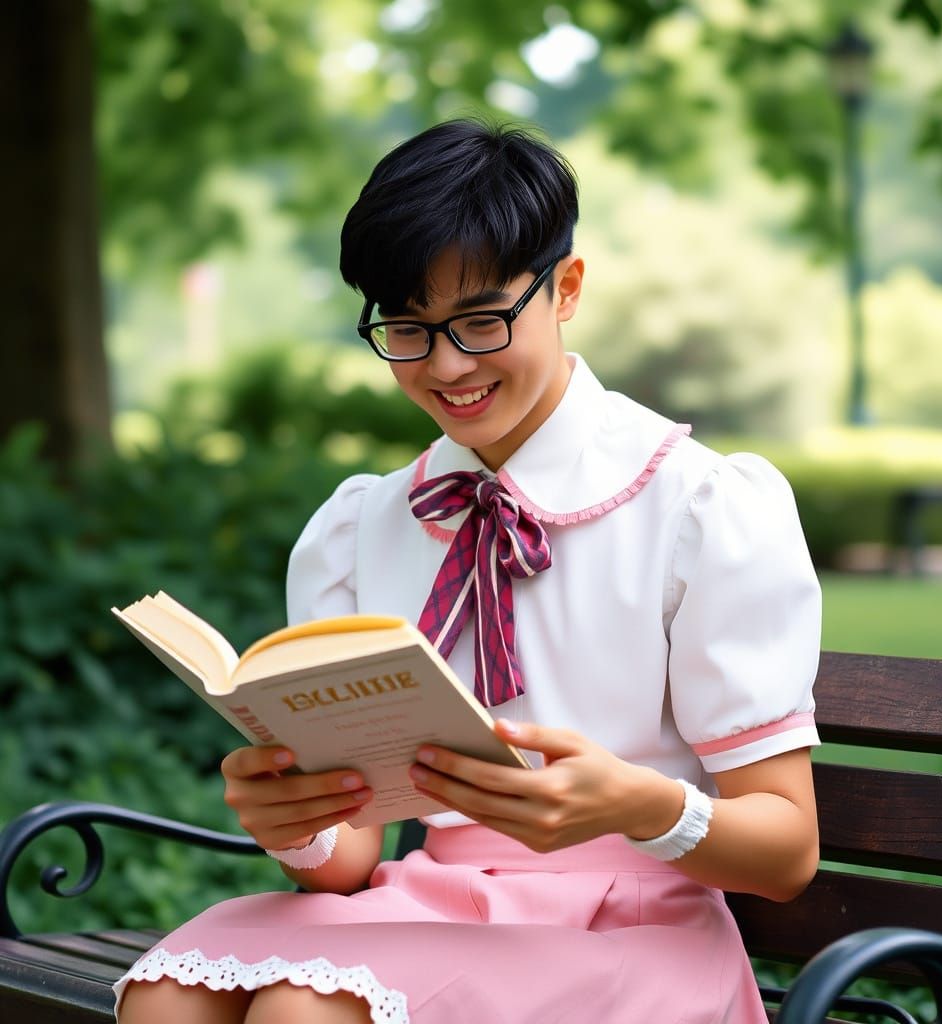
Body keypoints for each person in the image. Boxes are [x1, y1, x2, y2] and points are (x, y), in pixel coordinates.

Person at [116, 118, 821, 1024]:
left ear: (566, 289)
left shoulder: (700, 508)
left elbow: (787, 847)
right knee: (167, 994)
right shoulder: (363, 523)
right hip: (437, 906)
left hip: (636, 930)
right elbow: (350, 861)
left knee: (305, 1008)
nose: (447, 367)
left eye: (481, 321)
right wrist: (295, 823)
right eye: (408, 329)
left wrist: (633, 805)